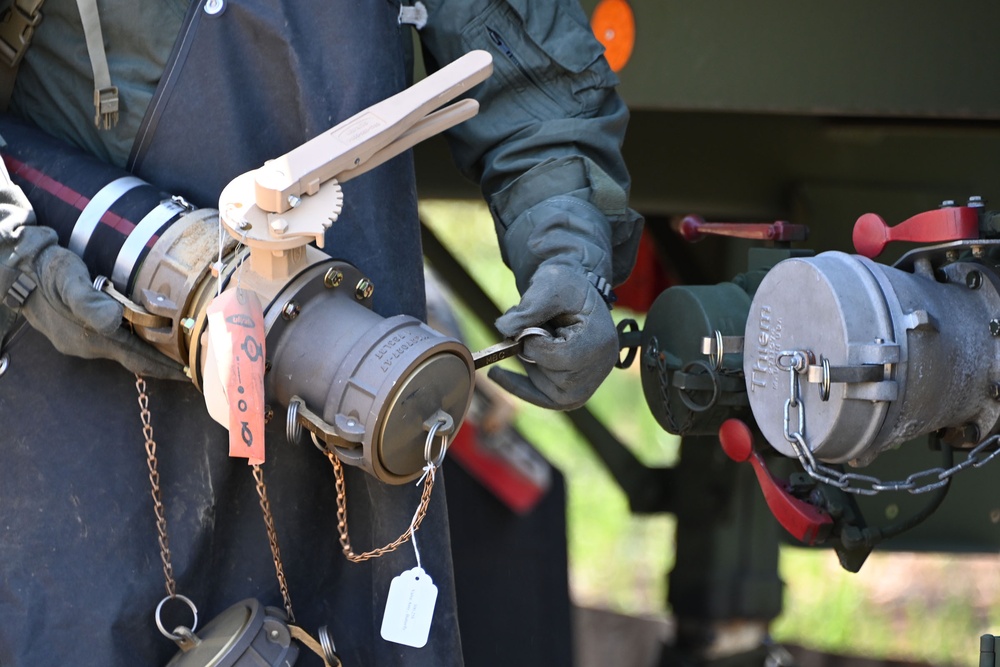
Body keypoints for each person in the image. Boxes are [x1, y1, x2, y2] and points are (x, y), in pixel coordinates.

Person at [0, 0, 642, 665]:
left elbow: (520, 52)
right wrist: (24, 263)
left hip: (353, 377)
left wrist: (566, 242)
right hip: (86, 364)